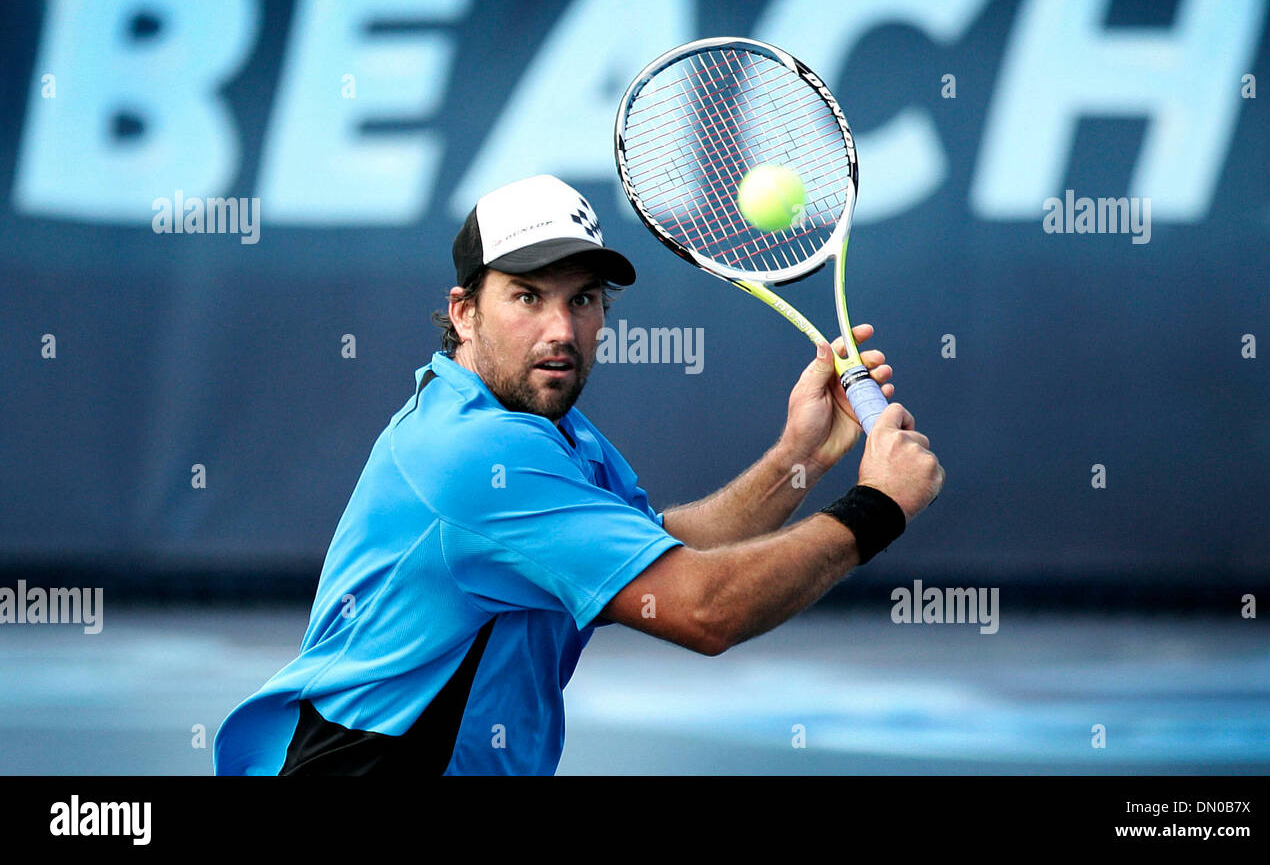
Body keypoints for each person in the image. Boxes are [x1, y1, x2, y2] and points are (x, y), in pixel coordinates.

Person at [213, 174, 943, 776]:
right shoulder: (478, 457)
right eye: (528, 297)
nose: (561, 330)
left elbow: (659, 551)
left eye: (582, 299)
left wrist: (802, 457)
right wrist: (876, 508)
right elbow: (703, 609)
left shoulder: (545, 428)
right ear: (465, 313)